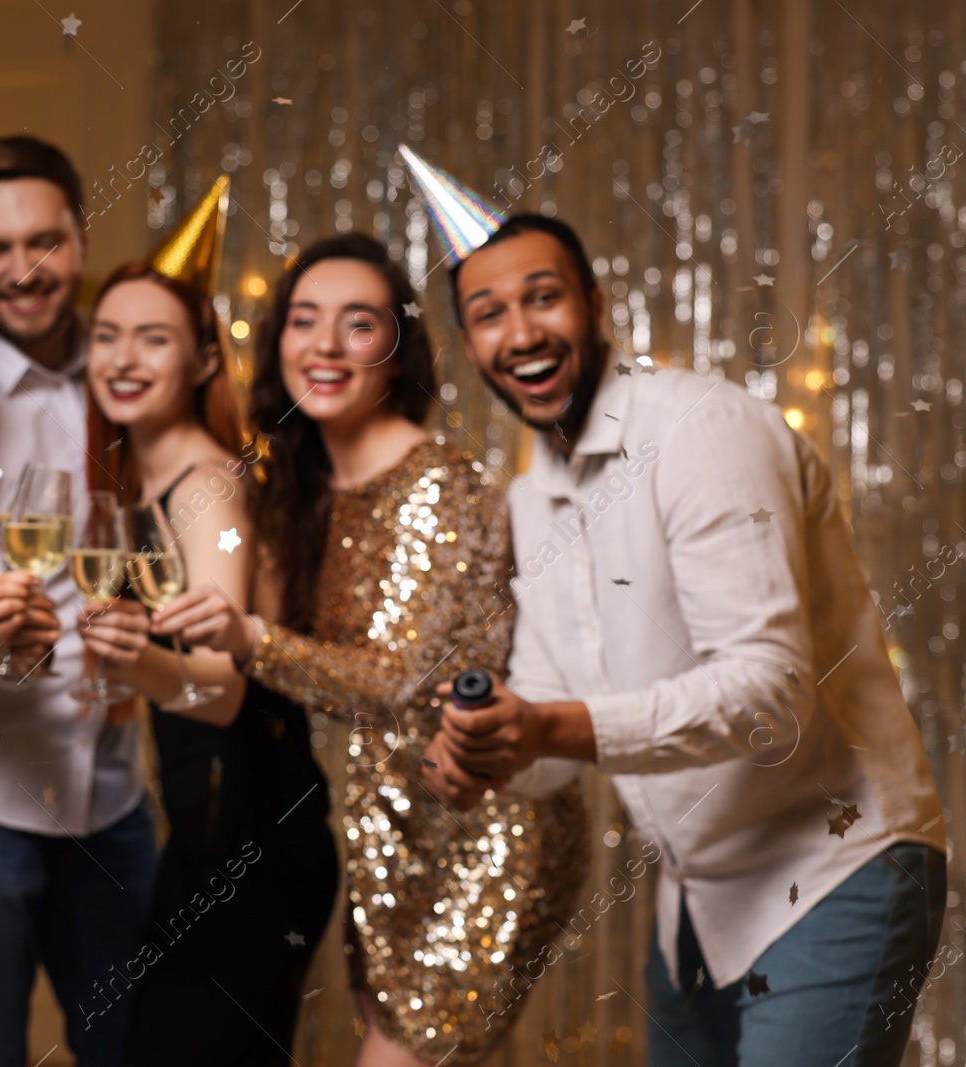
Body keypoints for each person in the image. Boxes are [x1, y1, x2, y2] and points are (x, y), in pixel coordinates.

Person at [421, 207, 948, 1066]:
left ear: (594, 305)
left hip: (834, 867)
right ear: (469, 342)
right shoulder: (531, 496)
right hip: (696, 911)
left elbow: (769, 694)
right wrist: (494, 753)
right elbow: (554, 736)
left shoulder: (700, 428)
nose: (520, 332)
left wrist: (550, 725)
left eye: (542, 297)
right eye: (488, 314)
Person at [155, 232, 587, 1066]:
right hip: (389, 843)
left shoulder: (441, 484)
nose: (324, 345)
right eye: (303, 321)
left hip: (489, 836)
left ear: (398, 354)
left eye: (357, 325)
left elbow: (404, 683)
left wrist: (250, 638)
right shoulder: (301, 491)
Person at [0, 135, 156, 1067]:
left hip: (114, 794)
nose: (23, 270)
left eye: (44, 241)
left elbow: (179, 520)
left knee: (132, 1050)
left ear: (81, 234)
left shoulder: (133, 362)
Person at [74, 248, 338, 1064]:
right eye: (107, 335)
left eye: (152, 338)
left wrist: (128, 659)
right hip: (213, 825)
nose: (122, 358)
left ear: (199, 360)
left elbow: (220, 690)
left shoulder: (206, 491)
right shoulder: (144, 484)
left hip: (252, 836)